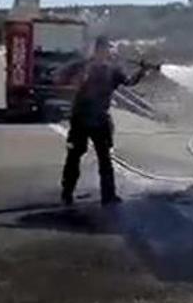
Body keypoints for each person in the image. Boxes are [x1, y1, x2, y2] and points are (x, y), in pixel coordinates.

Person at [58, 36, 149, 205]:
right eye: (105, 49)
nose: (107, 52)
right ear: (98, 49)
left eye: (108, 49)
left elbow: (128, 82)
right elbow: (62, 77)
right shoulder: (84, 66)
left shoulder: (112, 70)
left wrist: (141, 72)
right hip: (81, 118)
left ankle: (108, 195)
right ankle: (67, 192)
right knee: (74, 156)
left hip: (100, 118)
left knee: (105, 158)